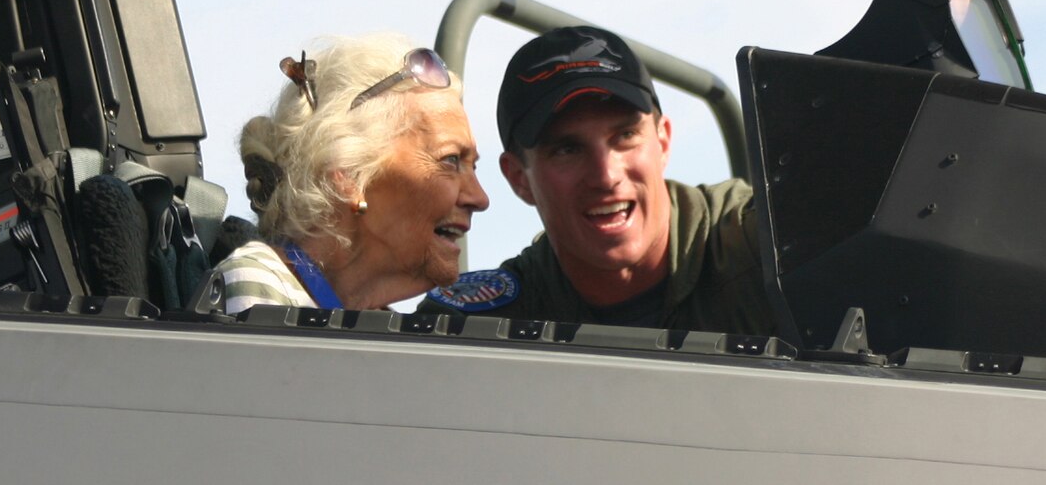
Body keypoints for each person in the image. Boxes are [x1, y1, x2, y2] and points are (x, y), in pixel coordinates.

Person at [421, 26, 774, 334]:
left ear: (662, 141)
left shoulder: (766, 246)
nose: (606, 176)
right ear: (518, 178)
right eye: (567, 150)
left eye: (625, 136)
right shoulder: (479, 329)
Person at [216, 33, 489, 315]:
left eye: (473, 166)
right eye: (450, 160)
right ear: (349, 174)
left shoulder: (387, 329)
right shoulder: (264, 288)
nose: (479, 198)